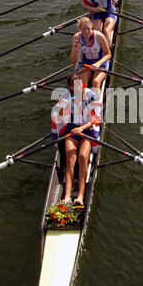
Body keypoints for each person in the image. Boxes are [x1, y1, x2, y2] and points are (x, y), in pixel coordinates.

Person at [51, 74, 101, 206]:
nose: (79, 89)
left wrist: (82, 128)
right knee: (70, 158)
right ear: (70, 87)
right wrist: (62, 108)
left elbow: (96, 119)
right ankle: (67, 196)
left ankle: (80, 196)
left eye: (81, 85)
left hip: (87, 128)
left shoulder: (91, 95)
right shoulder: (65, 95)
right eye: (76, 87)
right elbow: (58, 118)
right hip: (72, 128)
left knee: (83, 157)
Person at [71, 17, 111, 98]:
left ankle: (96, 108)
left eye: (88, 28)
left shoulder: (99, 36)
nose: (86, 32)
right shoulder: (76, 38)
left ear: (92, 27)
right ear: (79, 29)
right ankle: (80, 106)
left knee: (95, 83)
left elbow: (108, 54)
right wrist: (75, 50)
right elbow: (73, 62)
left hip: (100, 63)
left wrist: (97, 64)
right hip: (86, 64)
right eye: (83, 29)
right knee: (81, 85)